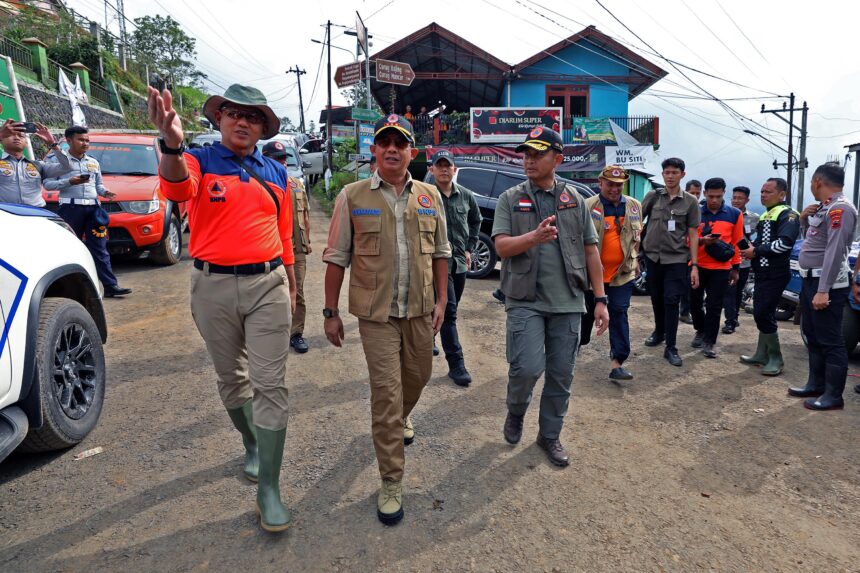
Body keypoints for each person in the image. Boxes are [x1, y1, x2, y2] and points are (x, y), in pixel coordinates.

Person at [148, 84, 298, 532]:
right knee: (231, 379)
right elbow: (176, 190)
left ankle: (268, 488)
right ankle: (252, 443)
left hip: (268, 284)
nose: (242, 122)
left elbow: (285, 234)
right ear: (220, 119)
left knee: (270, 385)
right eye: (234, 113)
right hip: (211, 285)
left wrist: (292, 285)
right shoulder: (198, 159)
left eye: (252, 117)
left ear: (261, 127)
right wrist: (171, 143)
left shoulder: (277, 173)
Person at [322, 114, 450, 525]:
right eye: (385, 143)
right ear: (374, 151)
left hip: (419, 308)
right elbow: (336, 257)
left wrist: (443, 300)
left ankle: (402, 416)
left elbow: (442, 253)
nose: (392, 149)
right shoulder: (353, 195)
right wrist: (330, 312)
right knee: (387, 395)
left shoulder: (430, 195)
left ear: (413, 153)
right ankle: (391, 480)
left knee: (420, 375)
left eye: (401, 143)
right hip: (376, 315)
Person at [492, 126, 608, 467]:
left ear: (557, 159)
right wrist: (534, 237)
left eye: (537, 153)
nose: (529, 159)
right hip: (524, 299)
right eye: (526, 153)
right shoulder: (510, 198)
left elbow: (591, 253)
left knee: (562, 374)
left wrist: (600, 300)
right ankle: (516, 411)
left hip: (569, 302)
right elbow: (501, 247)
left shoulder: (576, 201)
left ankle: (549, 435)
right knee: (526, 367)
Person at [788, 163, 857, 410]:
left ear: (817, 181)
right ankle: (815, 384)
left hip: (825, 283)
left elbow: (835, 251)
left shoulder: (841, 209)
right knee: (813, 334)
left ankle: (833, 396)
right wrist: (805, 220)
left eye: (811, 183)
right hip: (811, 279)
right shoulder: (824, 208)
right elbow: (817, 241)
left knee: (830, 339)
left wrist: (823, 289)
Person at [43, 126, 132, 298]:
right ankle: (68, 290)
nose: (85, 143)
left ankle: (111, 286)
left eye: (87, 140)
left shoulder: (93, 162)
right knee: (69, 248)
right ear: (69, 141)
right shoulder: (58, 161)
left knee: (100, 248)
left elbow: (98, 185)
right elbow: (48, 185)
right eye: (81, 140)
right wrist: (69, 182)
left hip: (93, 209)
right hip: (70, 209)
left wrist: (105, 192)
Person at [580, 165, 642, 380]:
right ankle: (577, 344)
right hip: (591, 276)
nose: (615, 189)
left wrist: (636, 261)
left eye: (619, 185)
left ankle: (618, 363)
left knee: (619, 312)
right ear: (600, 183)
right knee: (585, 314)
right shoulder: (587, 206)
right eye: (610, 184)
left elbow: (636, 238)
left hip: (621, 275)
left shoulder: (634, 206)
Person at [429, 149, 482, 386]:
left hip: (459, 263)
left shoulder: (467, 196)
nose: (443, 169)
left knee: (447, 308)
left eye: (447, 165)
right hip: (433, 264)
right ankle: (457, 365)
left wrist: (470, 248)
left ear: (454, 169)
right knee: (449, 312)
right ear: (431, 170)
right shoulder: (425, 196)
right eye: (438, 165)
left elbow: (475, 221)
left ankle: (429, 335)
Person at [641, 158, 700, 366]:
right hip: (652, 257)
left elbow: (693, 234)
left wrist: (695, 265)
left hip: (676, 259)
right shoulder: (653, 196)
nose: (670, 176)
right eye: (666, 172)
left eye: (675, 172)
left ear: (682, 174)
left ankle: (671, 347)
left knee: (672, 300)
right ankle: (659, 332)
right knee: (656, 298)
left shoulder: (690, 201)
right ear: (663, 174)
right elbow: (638, 222)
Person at [739, 178, 799, 376]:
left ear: (782, 194)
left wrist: (755, 252)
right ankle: (762, 353)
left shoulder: (788, 214)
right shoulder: (767, 213)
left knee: (763, 313)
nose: (763, 195)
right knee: (761, 311)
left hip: (775, 272)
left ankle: (776, 358)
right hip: (763, 272)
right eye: (762, 191)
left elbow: (785, 244)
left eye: (768, 191)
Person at [262, 141, 312, 354]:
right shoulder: (256, 184)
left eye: (283, 159)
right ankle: (268, 334)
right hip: (267, 249)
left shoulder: (296, 185)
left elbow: (305, 214)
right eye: (276, 159)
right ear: (264, 159)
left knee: (297, 292)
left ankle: (296, 333)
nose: (282, 163)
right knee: (266, 293)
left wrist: (307, 240)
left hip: (296, 247)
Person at [689, 178, 743, 358]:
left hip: (721, 268)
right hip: (697, 265)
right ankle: (700, 329)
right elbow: (688, 240)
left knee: (714, 305)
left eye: (718, 196)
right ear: (704, 194)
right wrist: (703, 241)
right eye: (711, 196)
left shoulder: (734, 214)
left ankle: (709, 341)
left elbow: (736, 243)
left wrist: (735, 268)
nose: (714, 200)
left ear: (723, 194)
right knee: (694, 302)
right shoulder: (695, 211)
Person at [0, 119, 72, 207]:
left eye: (21, 136)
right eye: (10, 135)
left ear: (26, 142)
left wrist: (53, 144)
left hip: (36, 213)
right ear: (1, 139)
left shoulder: (38, 165)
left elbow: (68, 167)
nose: (17, 138)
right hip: (6, 214)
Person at [722, 186, 759, 334]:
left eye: (740, 198)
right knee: (729, 291)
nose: (736, 200)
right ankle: (729, 321)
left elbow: (760, 238)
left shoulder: (754, 218)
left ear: (747, 200)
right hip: (727, 259)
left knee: (738, 291)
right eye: (734, 197)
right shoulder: (725, 214)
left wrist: (753, 248)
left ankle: (734, 317)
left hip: (744, 261)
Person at [679, 179, 703, 324]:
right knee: (683, 285)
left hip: (696, 252)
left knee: (692, 285)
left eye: (697, 193)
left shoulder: (700, 208)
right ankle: (684, 312)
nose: (695, 196)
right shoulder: (680, 206)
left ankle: (687, 311)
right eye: (692, 192)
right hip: (681, 252)